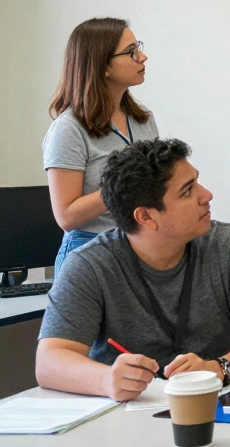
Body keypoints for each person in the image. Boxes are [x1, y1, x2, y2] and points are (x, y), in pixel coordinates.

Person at [36, 138, 230, 402]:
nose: (206, 195)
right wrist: (105, 380)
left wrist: (219, 368)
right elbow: (49, 361)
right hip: (126, 414)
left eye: (197, 180)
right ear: (146, 217)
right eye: (188, 190)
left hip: (213, 401)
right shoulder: (90, 264)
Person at [44, 17, 159, 274]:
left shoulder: (144, 119)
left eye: (138, 47)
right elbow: (67, 217)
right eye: (131, 52)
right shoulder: (69, 128)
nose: (143, 57)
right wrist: (124, 185)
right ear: (102, 65)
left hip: (139, 246)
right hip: (89, 253)